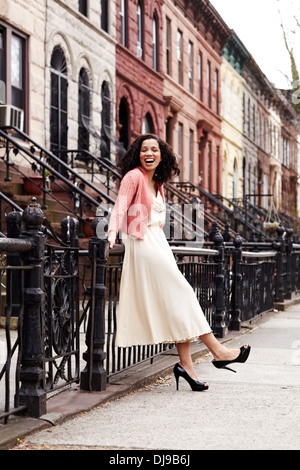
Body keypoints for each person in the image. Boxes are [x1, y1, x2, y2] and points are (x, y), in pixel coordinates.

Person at [108, 134, 250, 392]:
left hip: (157, 242)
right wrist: (111, 233)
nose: (148, 153)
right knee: (183, 294)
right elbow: (120, 206)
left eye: (154, 149)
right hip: (141, 243)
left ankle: (186, 367)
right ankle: (217, 350)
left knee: (177, 303)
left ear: (161, 155)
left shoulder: (158, 183)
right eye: (143, 149)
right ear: (137, 154)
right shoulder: (134, 176)